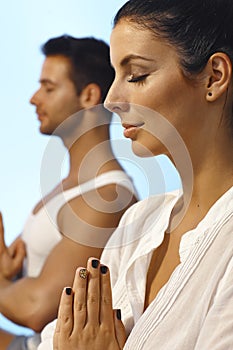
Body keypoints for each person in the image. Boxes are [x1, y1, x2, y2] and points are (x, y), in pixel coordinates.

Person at [38, 0, 233, 349]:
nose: (112, 99)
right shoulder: (140, 221)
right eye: (115, 75)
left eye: (136, 75)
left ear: (213, 77)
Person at [0, 35, 138, 349]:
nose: (34, 98)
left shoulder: (106, 198)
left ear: (89, 95)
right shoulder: (66, 190)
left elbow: (35, 308)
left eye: (48, 88)